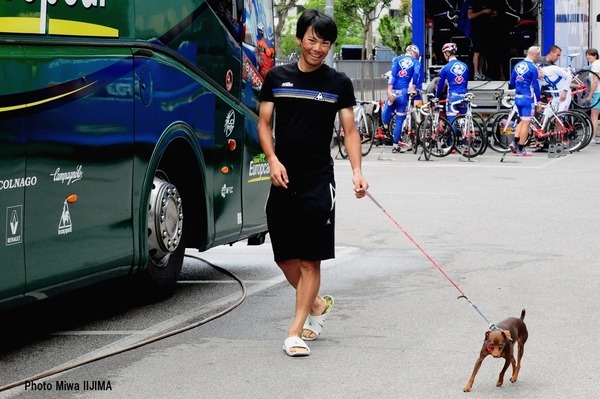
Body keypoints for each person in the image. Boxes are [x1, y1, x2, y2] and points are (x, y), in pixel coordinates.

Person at [257, 9, 369, 357]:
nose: (318, 47)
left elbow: (350, 131)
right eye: (312, 39)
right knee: (284, 257)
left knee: (310, 260)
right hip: (282, 177)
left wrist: (357, 171)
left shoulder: (338, 84)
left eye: (325, 42)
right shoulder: (277, 78)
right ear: (300, 37)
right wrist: (272, 159)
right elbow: (263, 124)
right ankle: (317, 304)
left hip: (319, 180)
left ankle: (296, 330)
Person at [381, 44, 422, 153]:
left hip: (393, 90)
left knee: (385, 119)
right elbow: (416, 74)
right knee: (400, 120)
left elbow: (393, 75)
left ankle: (389, 103)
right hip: (404, 92)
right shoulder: (415, 62)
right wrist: (413, 87)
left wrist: (389, 90)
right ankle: (395, 145)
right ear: (415, 54)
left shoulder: (397, 59)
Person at [508, 46, 542, 157]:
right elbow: (536, 86)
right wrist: (539, 101)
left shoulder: (517, 65)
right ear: (535, 54)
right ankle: (521, 148)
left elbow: (512, 82)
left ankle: (514, 142)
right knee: (526, 123)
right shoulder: (533, 67)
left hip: (518, 97)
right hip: (528, 98)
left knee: (522, 121)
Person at [436, 42, 469, 125]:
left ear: (447, 53)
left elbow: (440, 85)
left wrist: (437, 97)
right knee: (464, 122)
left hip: (452, 96)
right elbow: (465, 83)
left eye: (444, 53)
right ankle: (465, 136)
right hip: (464, 96)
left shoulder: (445, 68)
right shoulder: (465, 66)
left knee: (452, 122)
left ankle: (452, 138)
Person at [467, 0, 496, 80]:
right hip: (476, 31)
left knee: (483, 52)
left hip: (485, 30)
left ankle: (481, 72)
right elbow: (470, 16)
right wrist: (483, 11)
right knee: (477, 51)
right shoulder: (474, 2)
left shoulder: (487, 3)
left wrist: (491, 14)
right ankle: (476, 73)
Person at [585, 48, 600, 144]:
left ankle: (593, 138)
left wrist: (590, 95)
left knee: (594, 116)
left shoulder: (595, 65)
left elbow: (595, 81)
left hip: (597, 92)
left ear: (595, 55)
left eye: (589, 55)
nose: (587, 57)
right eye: (587, 55)